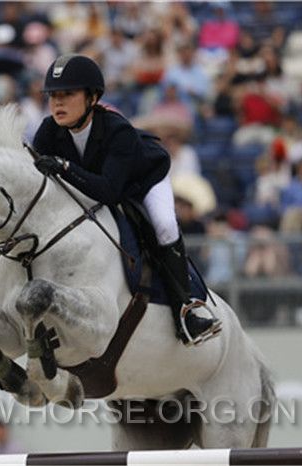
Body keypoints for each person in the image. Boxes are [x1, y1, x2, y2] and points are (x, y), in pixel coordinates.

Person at [32, 54, 220, 345]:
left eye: (67, 94)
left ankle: (188, 309)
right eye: (53, 95)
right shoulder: (47, 132)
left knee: (165, 226)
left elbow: (110, 192)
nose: (57, 102)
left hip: (143, 181)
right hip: (94, 185)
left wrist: (66, 167)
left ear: (93, 97)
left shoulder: (117, 130)